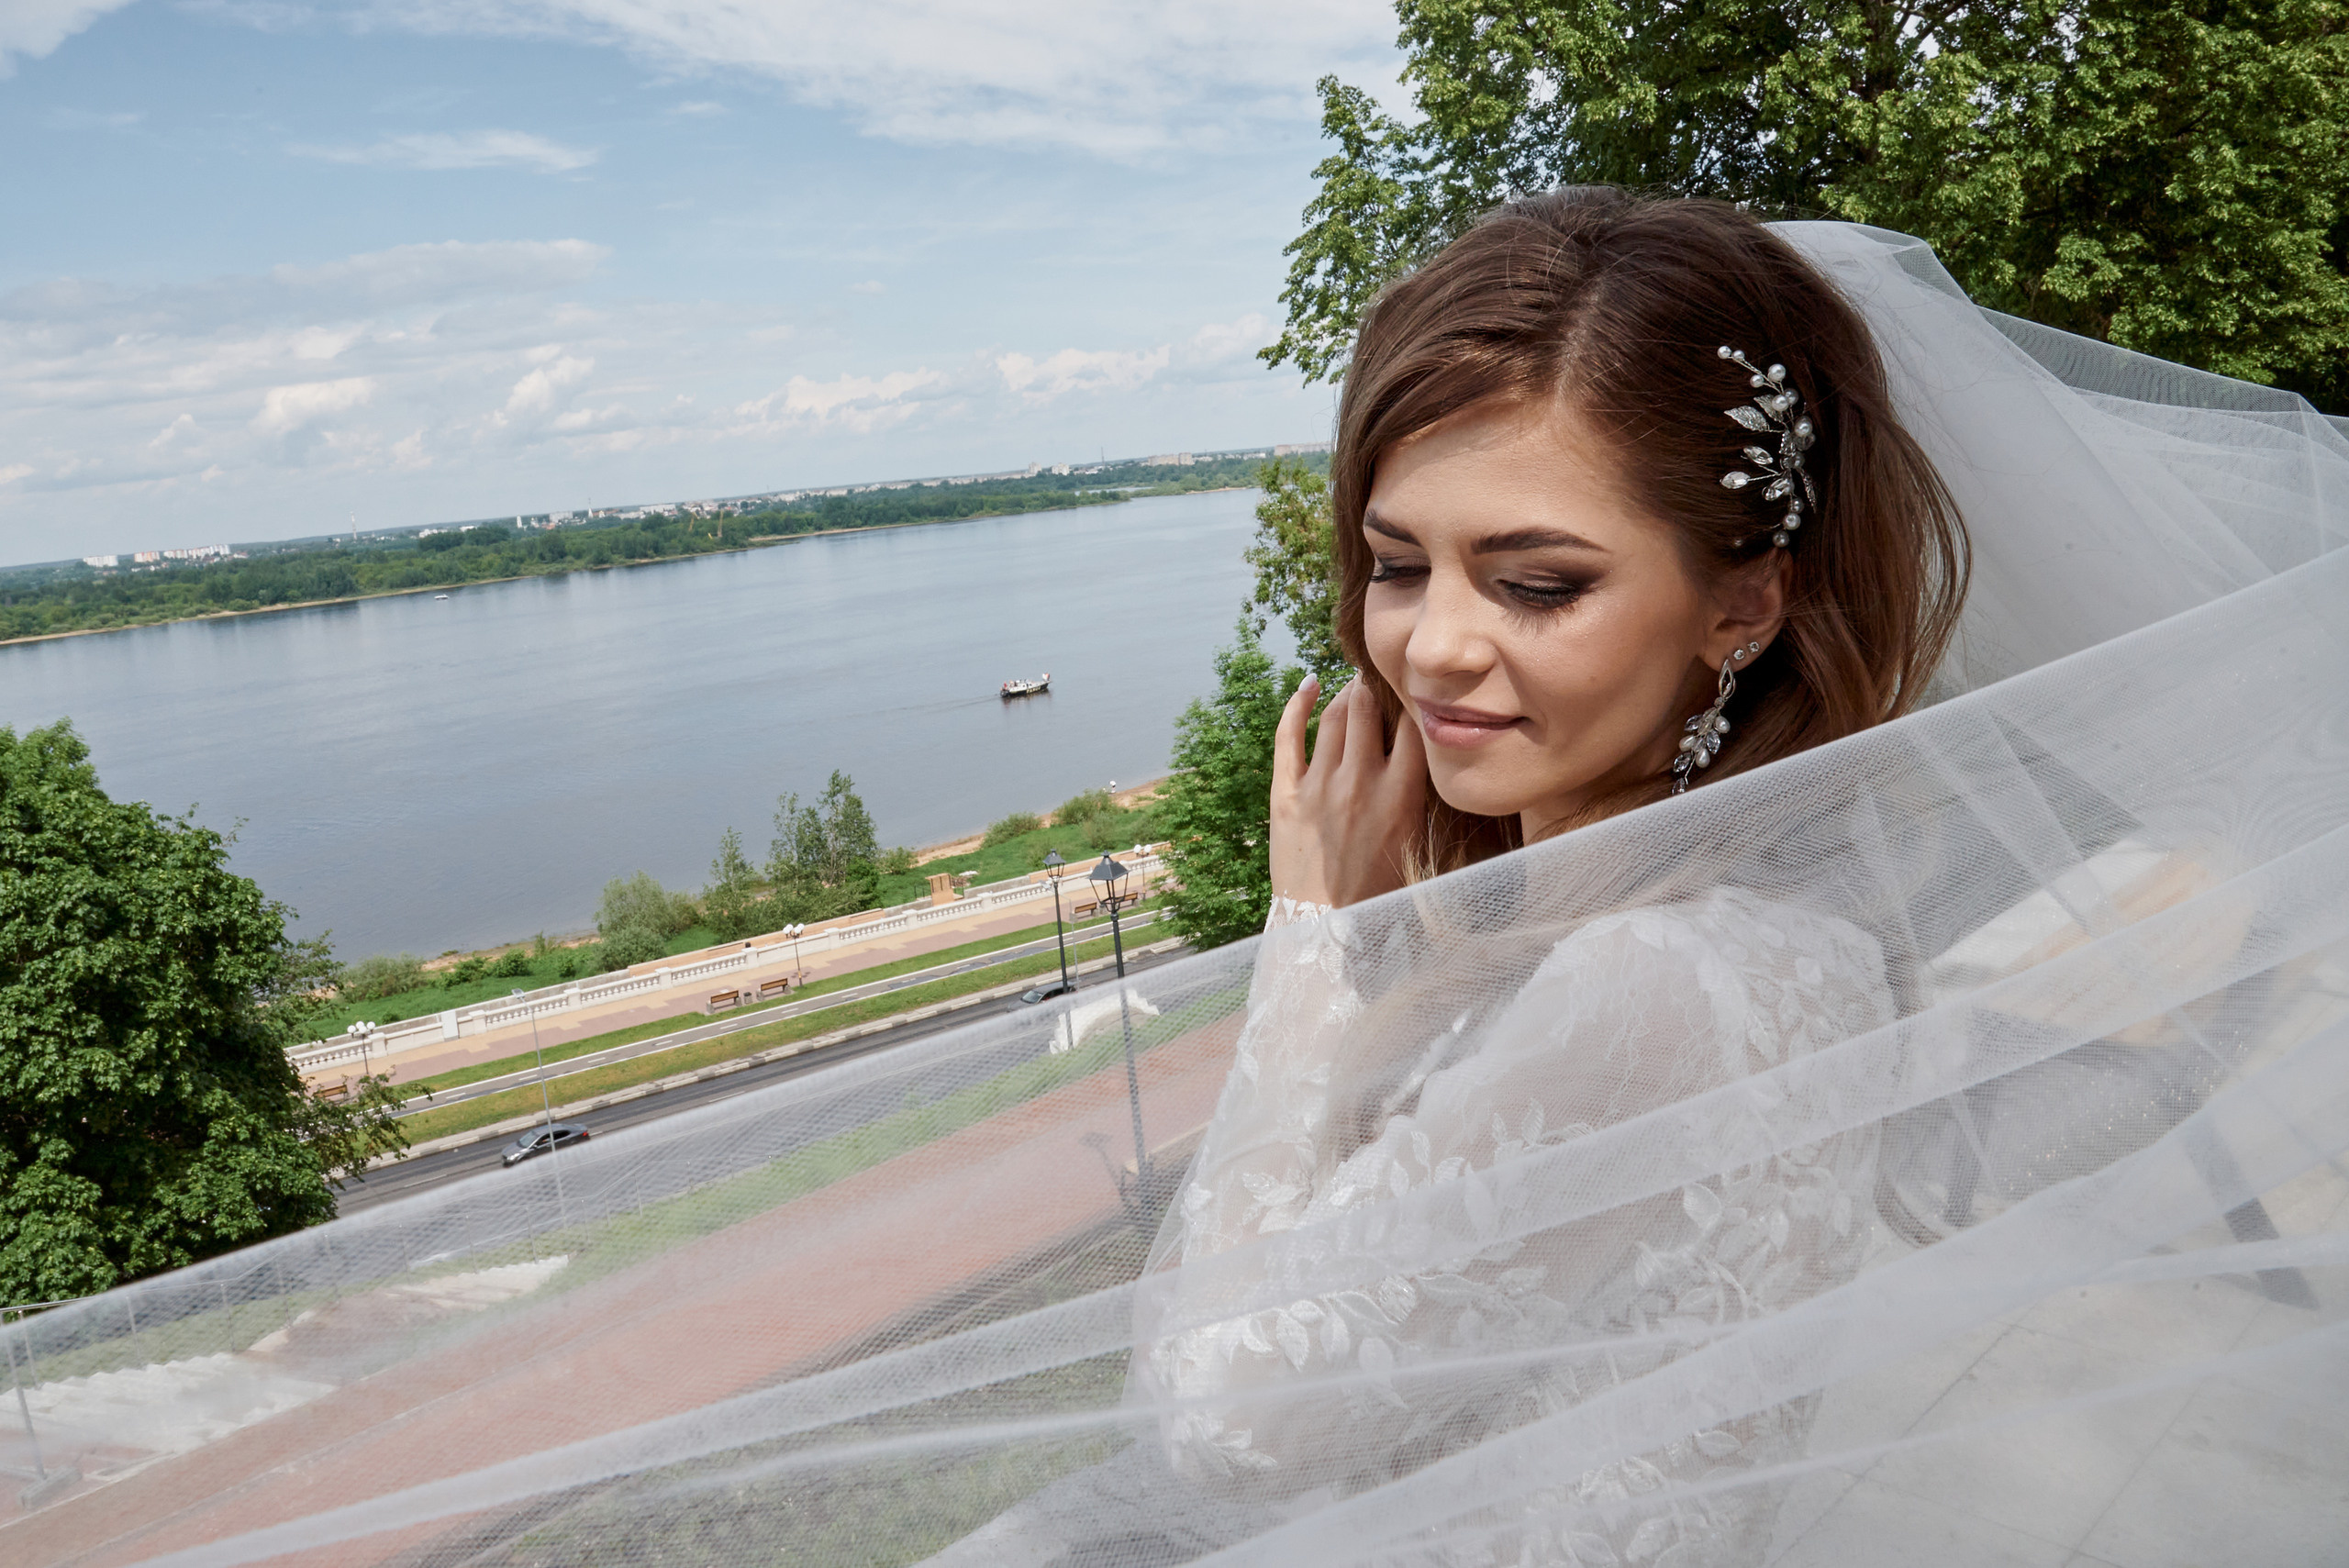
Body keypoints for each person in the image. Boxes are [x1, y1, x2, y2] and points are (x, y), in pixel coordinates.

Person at [1130, 188, 1968, 1562]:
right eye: (1399, 564)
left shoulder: (1651, 977)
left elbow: (1226, 1420)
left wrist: (1312, 935)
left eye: (1537, 584)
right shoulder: (1791, 930)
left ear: (1744, 601)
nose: (1433, 647)